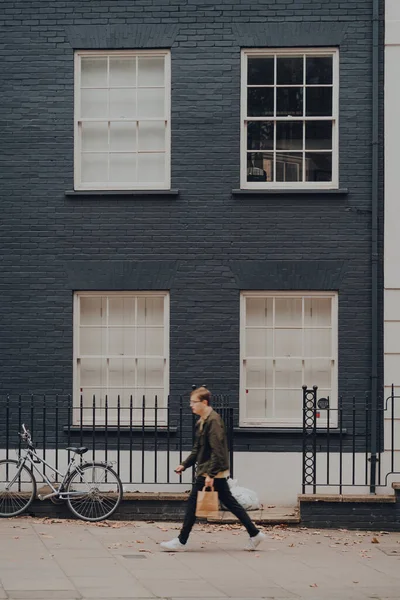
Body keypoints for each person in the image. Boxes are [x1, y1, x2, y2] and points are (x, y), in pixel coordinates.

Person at [160, 387, 266, 552]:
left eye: (194, 402)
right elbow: (198, 448)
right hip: (212, 470)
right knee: (230, 503)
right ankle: (255, 533)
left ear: (204, 402)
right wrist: (185, 464)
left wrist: (210, 474)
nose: (191, 405)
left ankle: (181, 541)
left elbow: (218, 451)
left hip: (211, 470)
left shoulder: (213, 421)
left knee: (193, 505)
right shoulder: (202, 421)